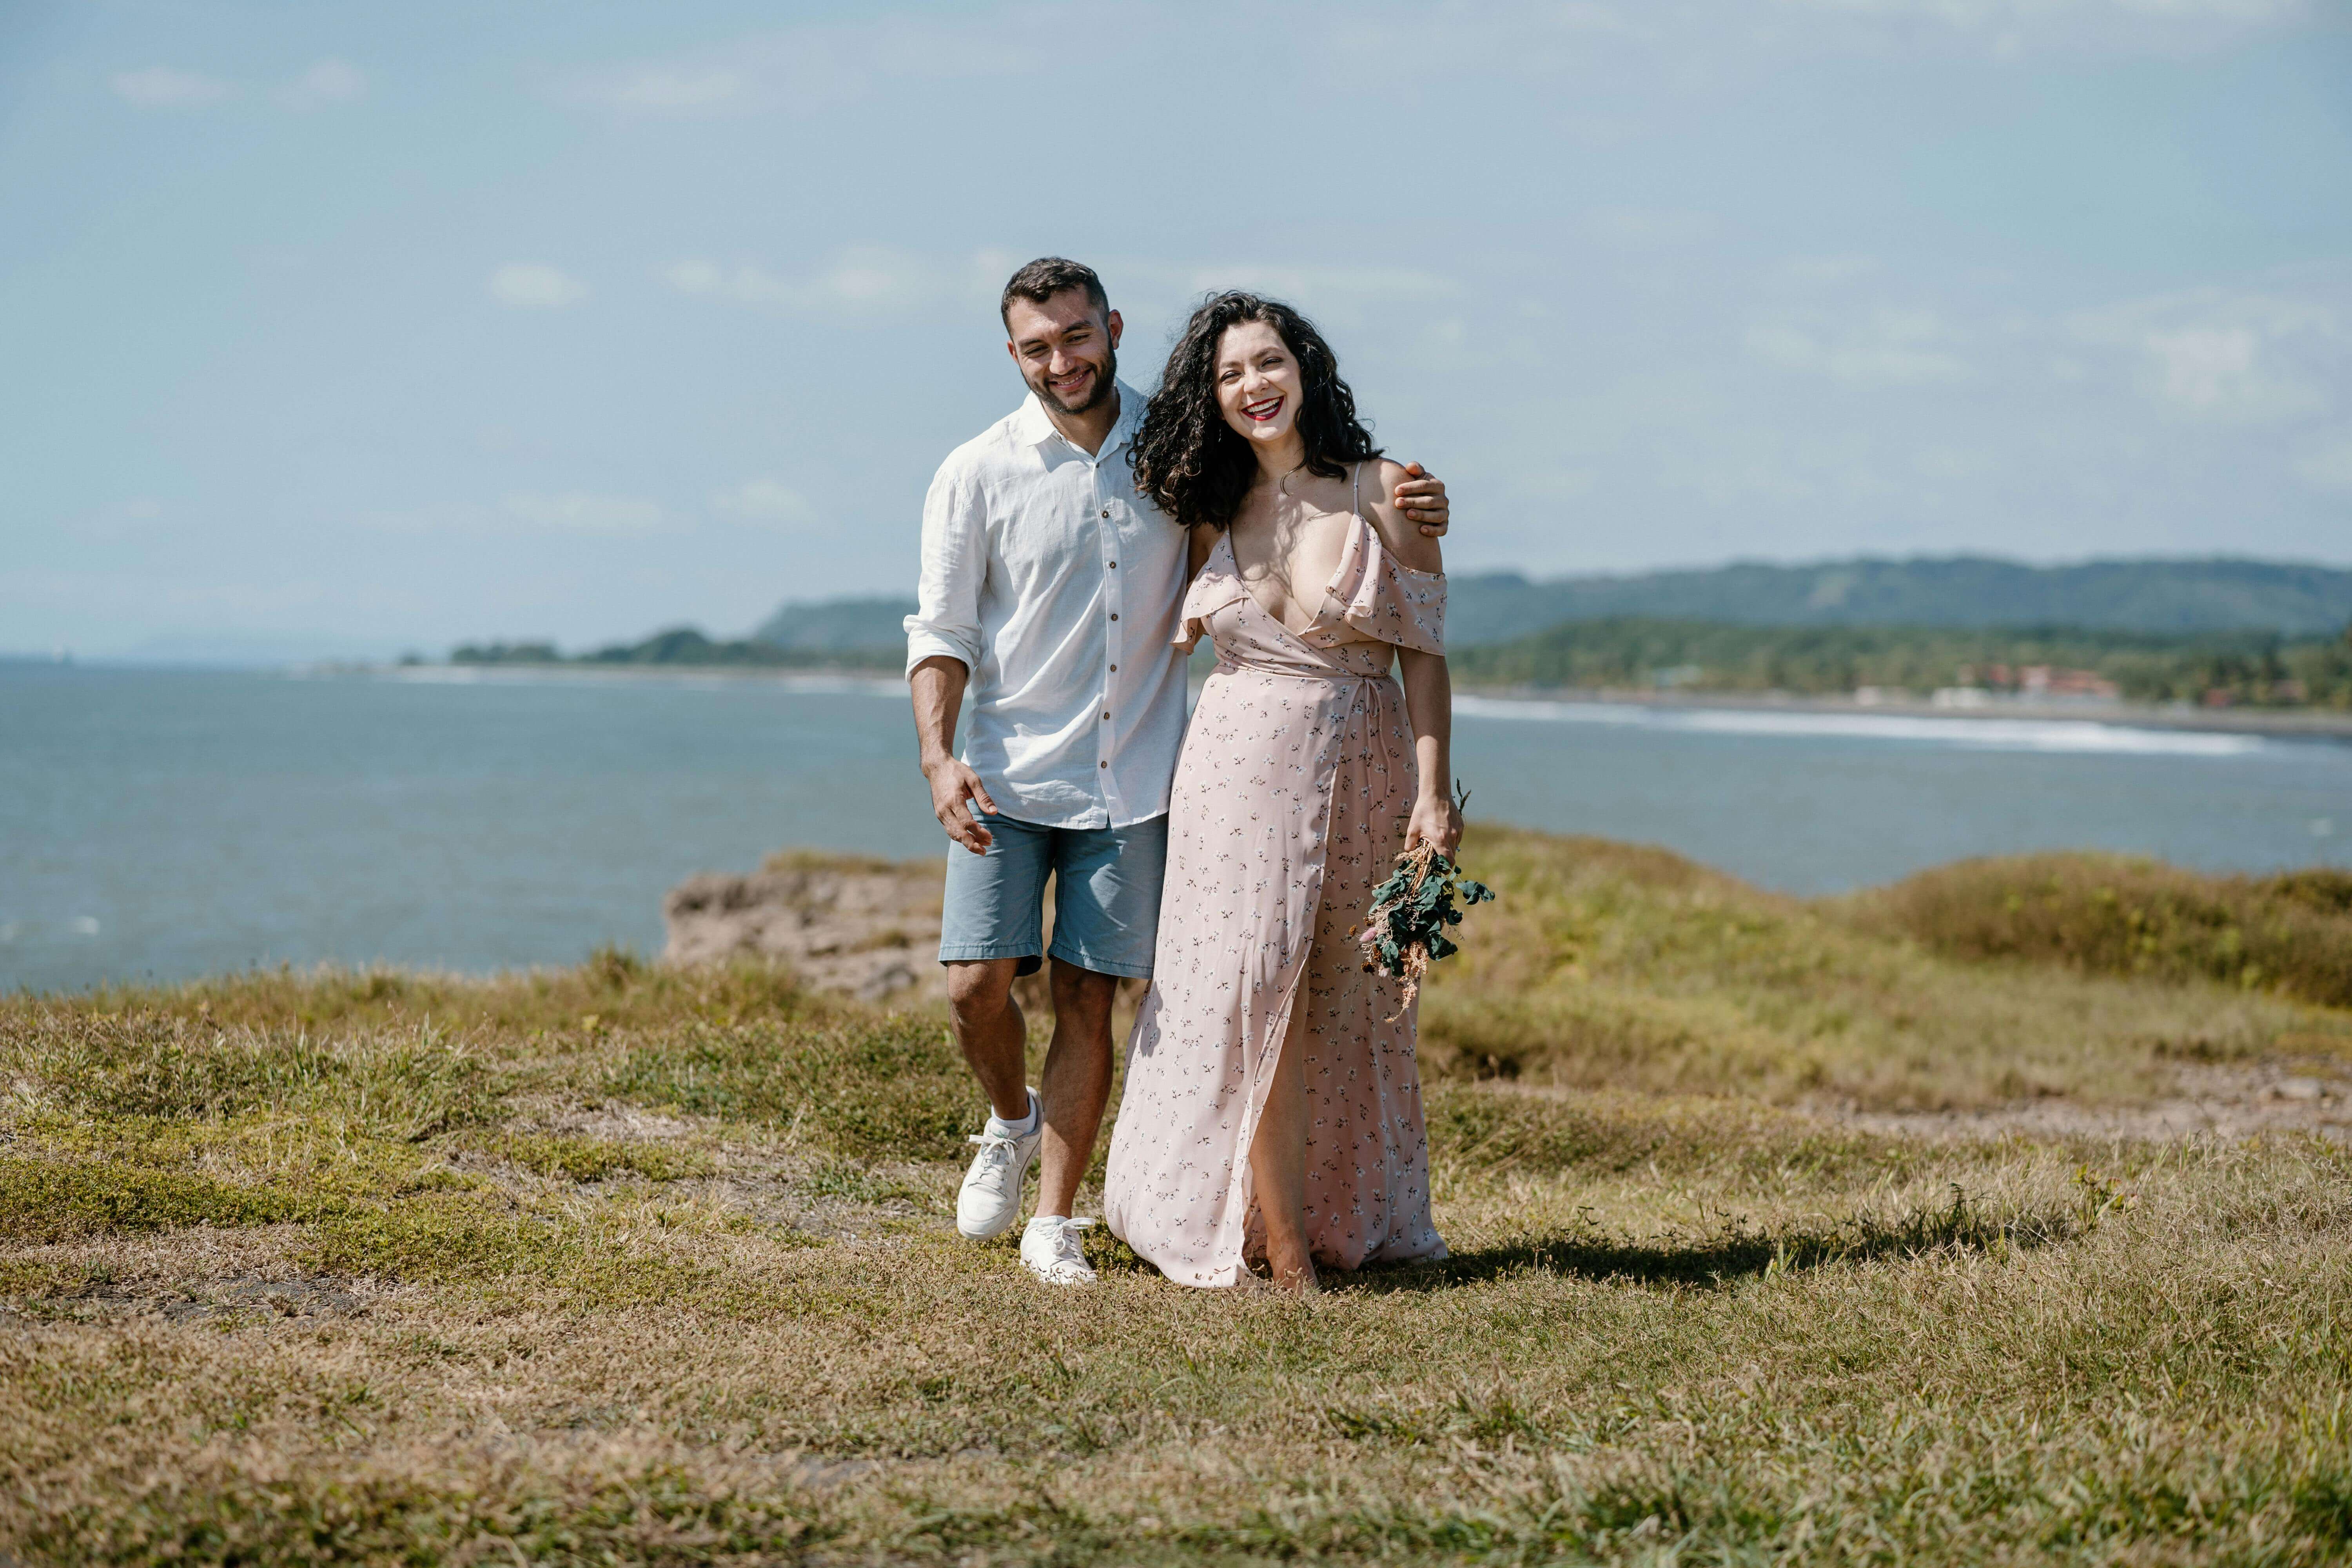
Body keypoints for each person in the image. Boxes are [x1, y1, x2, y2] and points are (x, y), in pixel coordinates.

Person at [905, 259, 1449, 1286]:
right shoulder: (982, 470)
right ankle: (1009, 1121)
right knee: (978, 986)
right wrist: (937, 755)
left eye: (1077, 336)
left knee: (1096, 993)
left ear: (1110, 328)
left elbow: (1345, 531)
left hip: (1140, 778)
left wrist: (1412, 498)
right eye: (1037, 346)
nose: (1062, 360)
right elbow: (941, 626)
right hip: (1017, 772)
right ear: (1014, 354)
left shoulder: (1177, 451)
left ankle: (1059, 1224)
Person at [1102, 292, 1457, 1292]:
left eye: (1268, 362)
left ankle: (1314, 1216)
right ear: (1209, 398)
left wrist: (1434, 795)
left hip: (1363, 763)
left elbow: (1425, 655)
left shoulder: (1387, 488)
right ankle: (1288, 1249)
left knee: (1344, 999)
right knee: (1252, 991)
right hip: (1232, 777)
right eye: (1229, 374)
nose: (1253, 385)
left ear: (1304, 366)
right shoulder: (1208, 510)